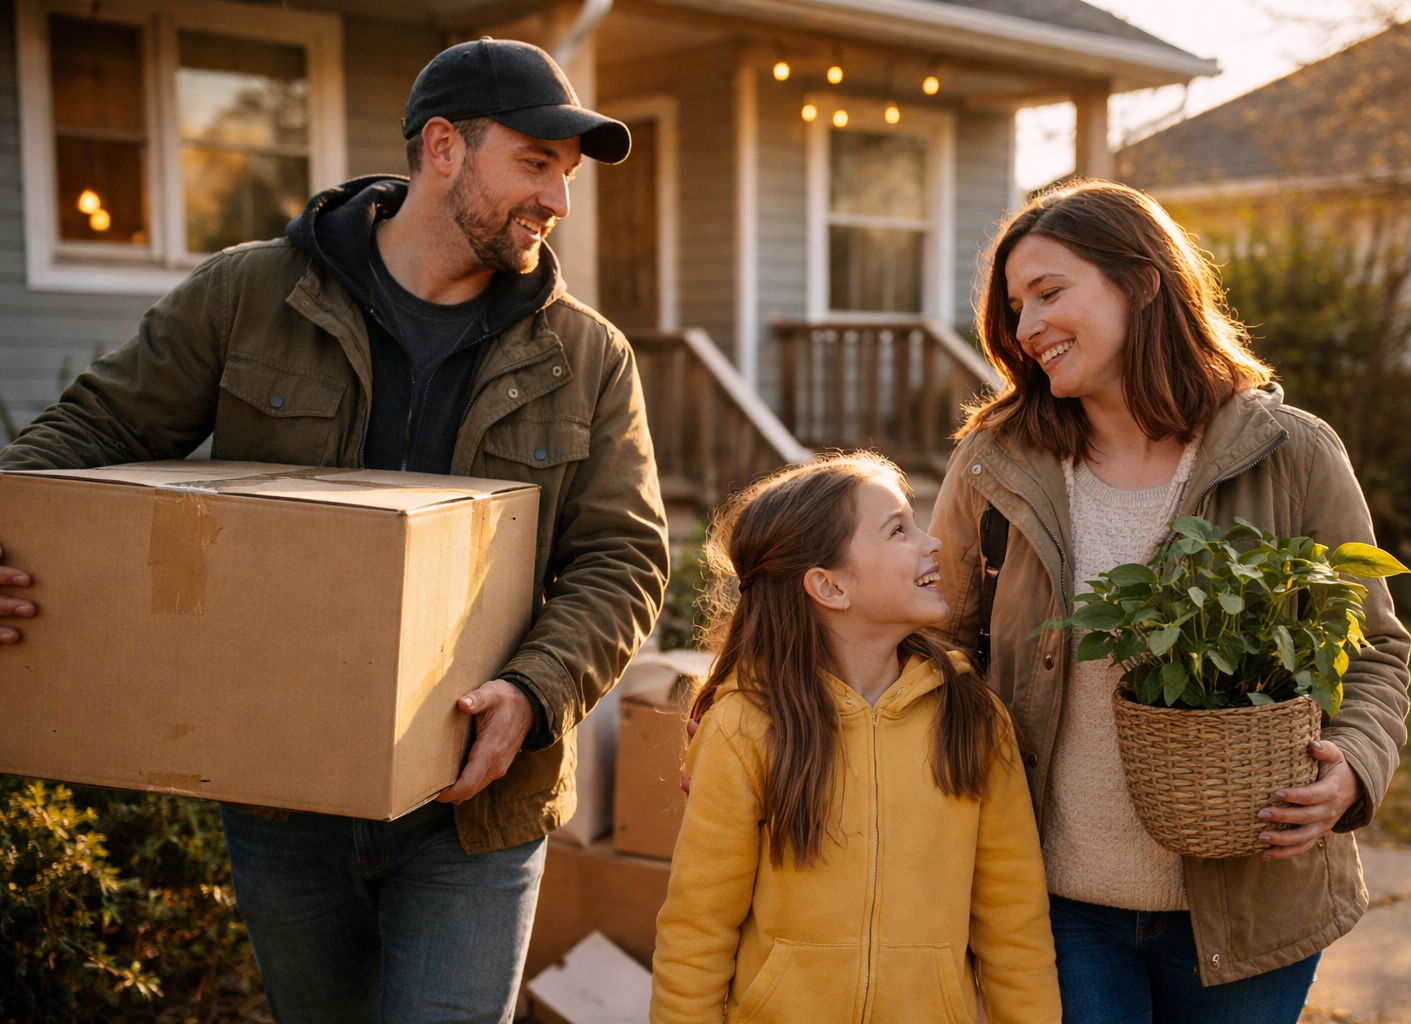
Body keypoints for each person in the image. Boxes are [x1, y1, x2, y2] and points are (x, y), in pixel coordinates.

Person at [0, 38, 668, 1024]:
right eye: (535, 163)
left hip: (476, 803)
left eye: (564, 174)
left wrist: (535, 691)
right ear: (443, 147)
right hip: (283, 785)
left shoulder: (588, 354)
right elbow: (93, 431)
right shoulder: (249, 295)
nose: (559, 202)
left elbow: (625, 553)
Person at [927, 180, 1411, 1024]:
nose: (1026, 326)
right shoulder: (994, 463)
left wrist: (1355, 768)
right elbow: (936, 641)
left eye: (1050, 293)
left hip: (1254, 900)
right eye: (1014, 306)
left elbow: (1371, 648)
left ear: (1143, 281)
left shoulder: (1289, 452)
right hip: (1055, 901)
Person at [650, 453, 1061, 1024]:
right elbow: (697, 929)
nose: (932, 542)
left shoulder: (974, 720)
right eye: (899, 529)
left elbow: (1014, 926)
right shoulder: (746, 725)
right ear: (829, 586)